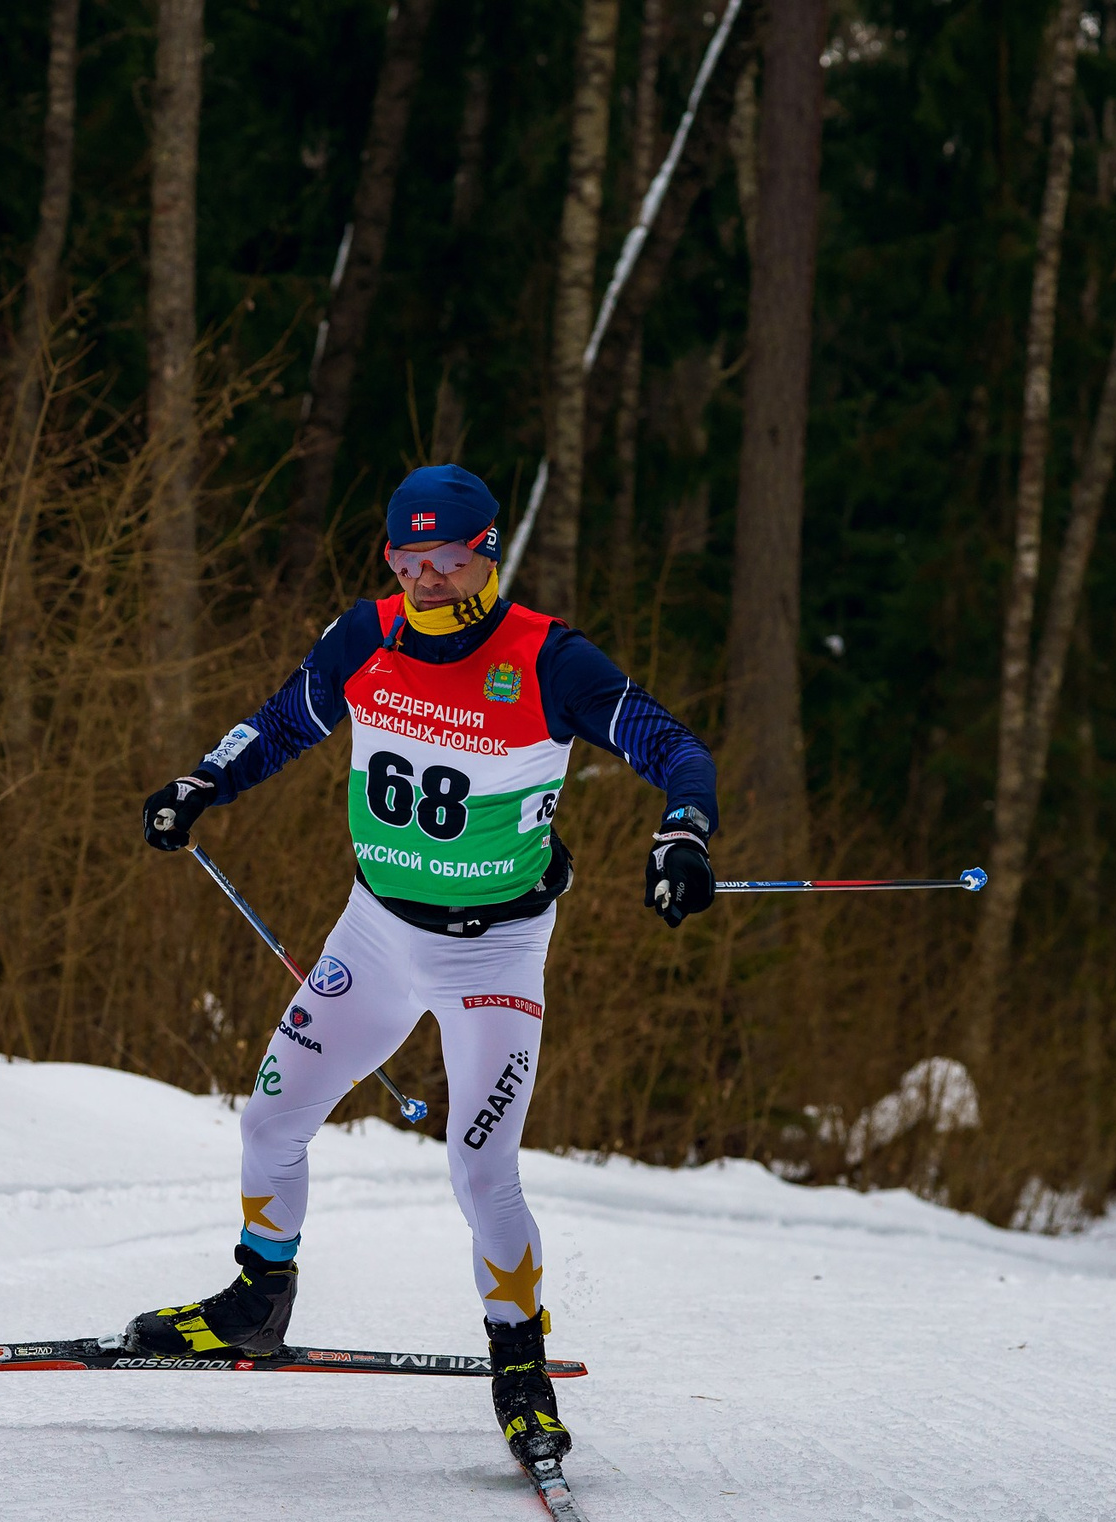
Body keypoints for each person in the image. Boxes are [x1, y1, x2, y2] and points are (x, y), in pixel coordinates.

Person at [124, 464, 719, 1468]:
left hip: (495, 950)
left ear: (487, 559)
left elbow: (677, 750)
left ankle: (518, 1364)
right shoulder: (365, 637)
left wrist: (685, 835)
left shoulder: (548, 659)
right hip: (376, 934)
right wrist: (203, 781)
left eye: (447, 562)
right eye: (410, 562)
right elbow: (278, 724)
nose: (428, 581)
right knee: (270, 1118)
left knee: (479, 1164)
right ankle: (257, 1299)